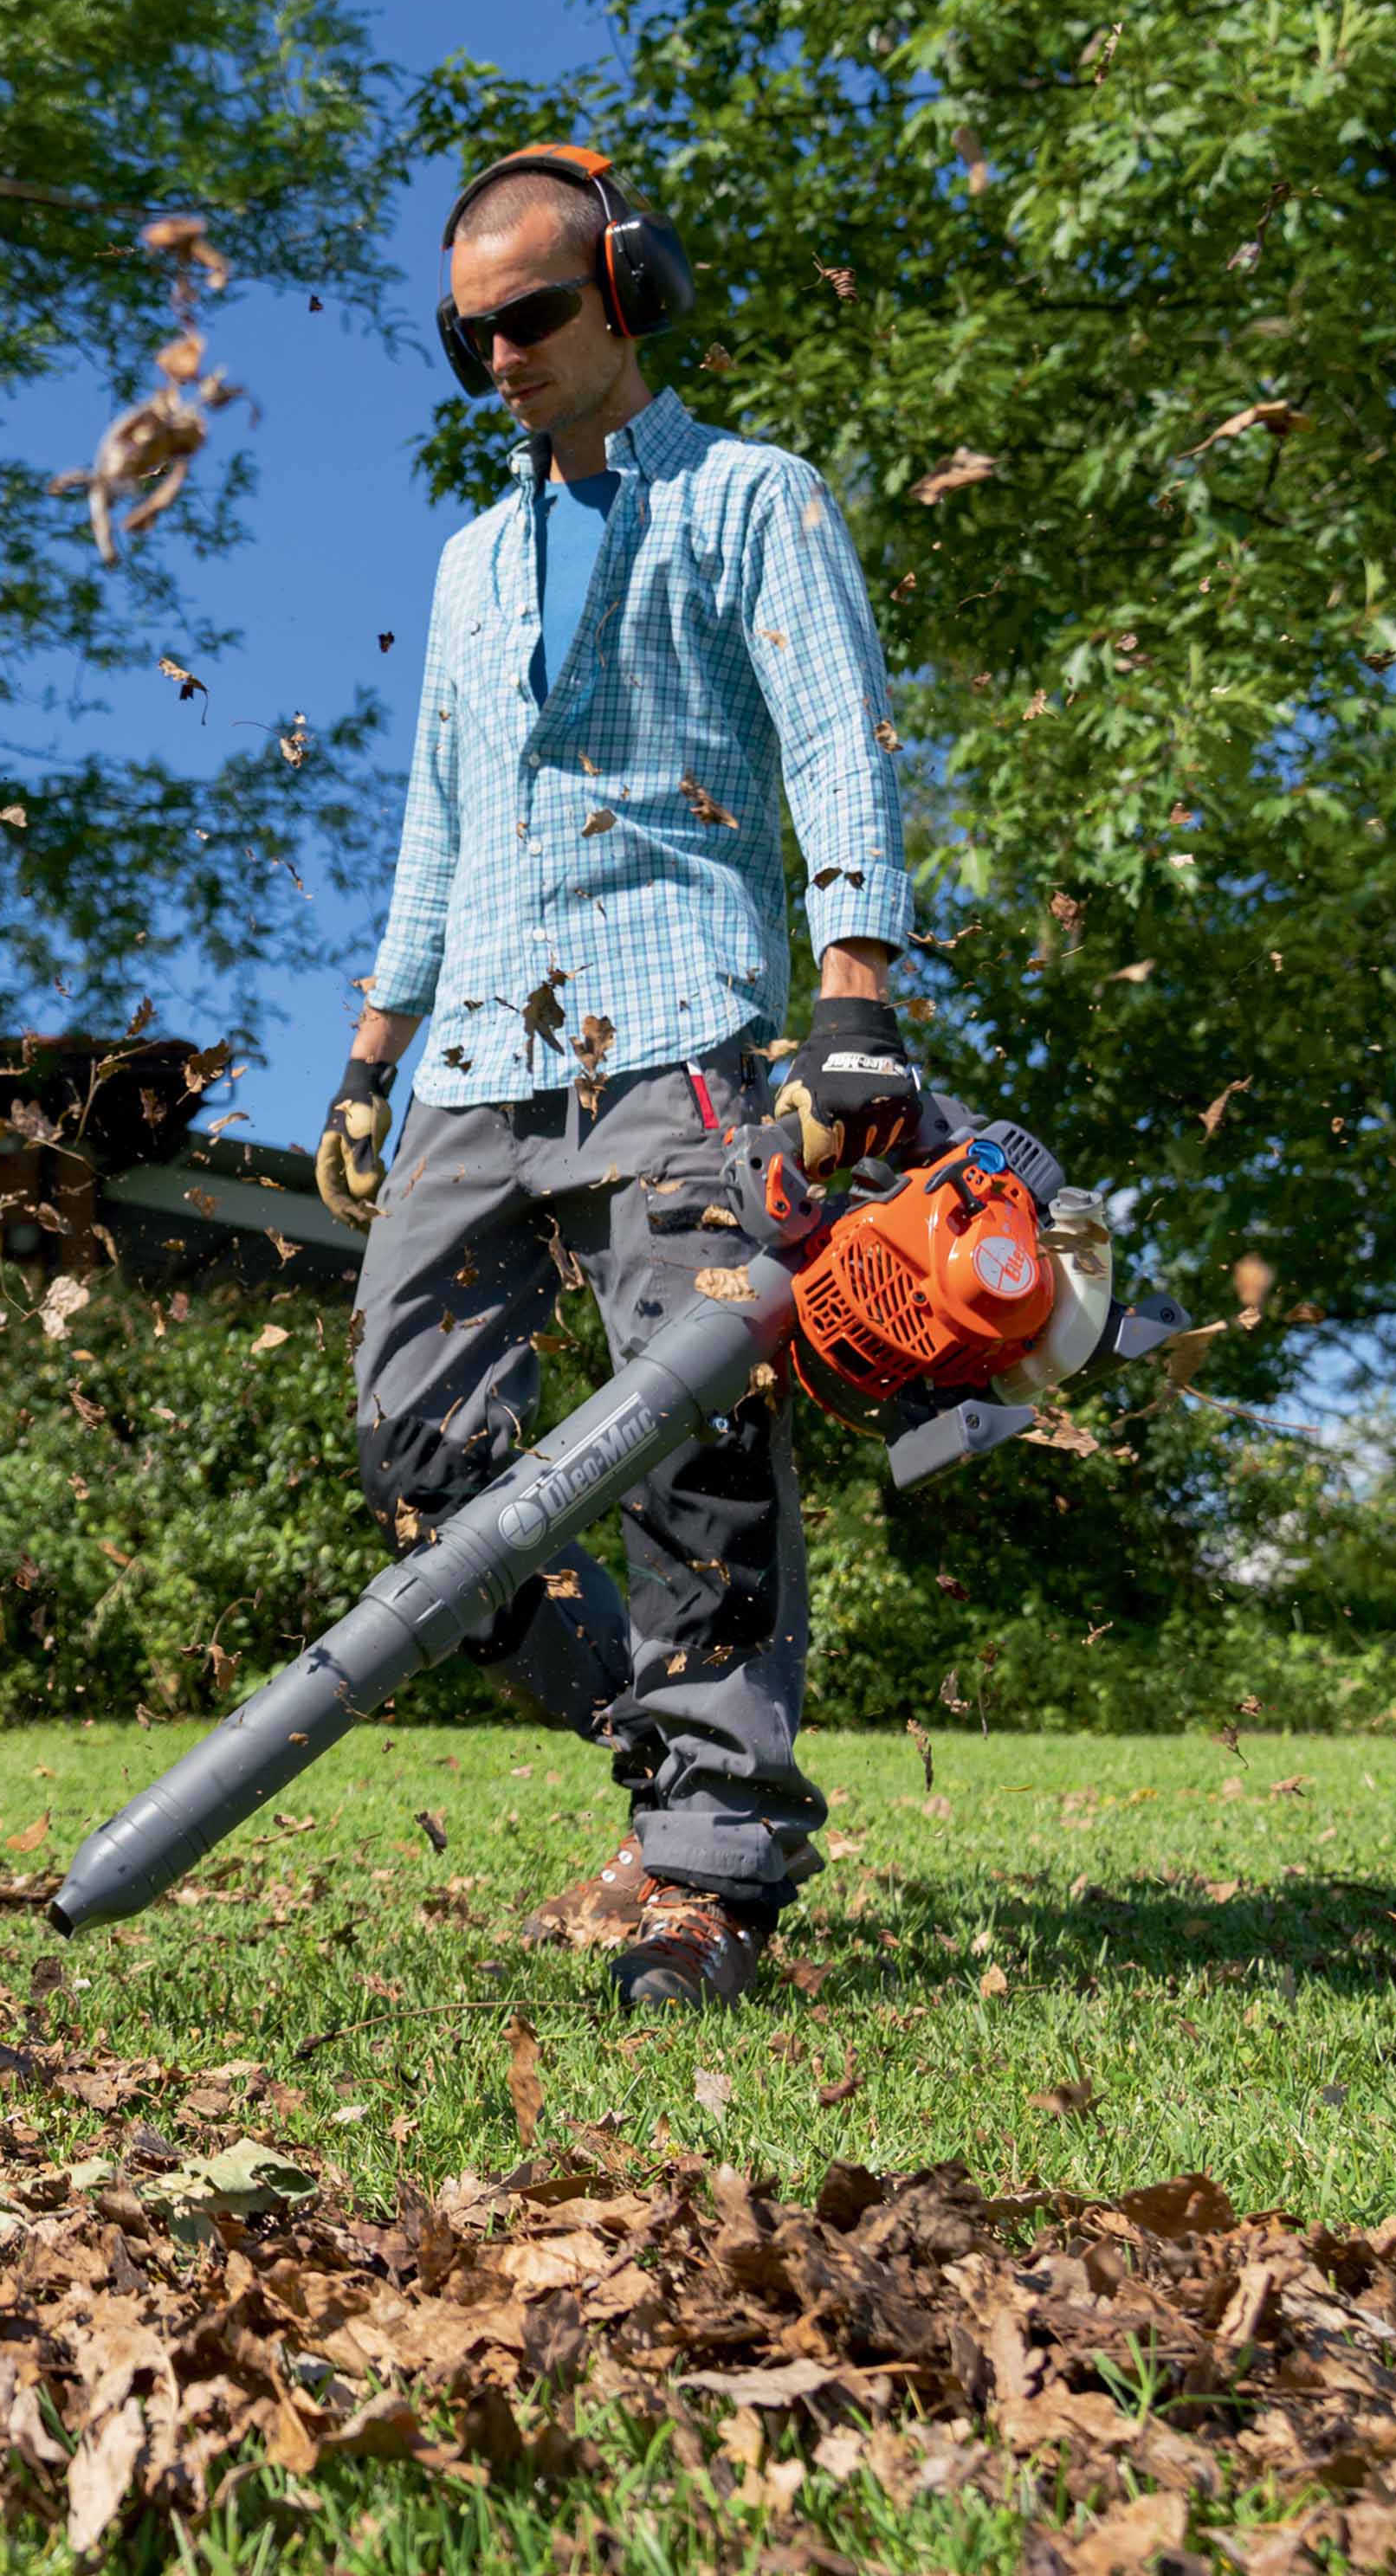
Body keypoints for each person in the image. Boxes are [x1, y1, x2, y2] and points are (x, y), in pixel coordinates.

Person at [313, 145, 928, 2011]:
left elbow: (837, 744)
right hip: (480, 1056)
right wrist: (370, 1053)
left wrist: (855, 998)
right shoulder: (470, 561)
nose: (499, 354)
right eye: (467, 335)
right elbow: (438, 824)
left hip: (682, 1037)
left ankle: (711, 1866)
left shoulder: (751, 499)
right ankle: (657, 1754)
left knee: (691, 1448)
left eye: (529, 315)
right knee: (418, 1454)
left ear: (627, 291)